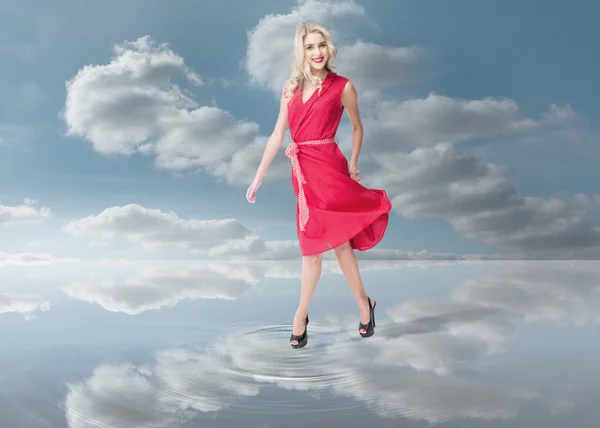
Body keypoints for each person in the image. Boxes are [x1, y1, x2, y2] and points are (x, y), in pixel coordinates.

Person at [246, 21, 392, 349]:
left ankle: (363, 306)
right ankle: (301, 315)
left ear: (330, 48)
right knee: (311, 249)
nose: (317, 52)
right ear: (302, 51)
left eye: (321, 45)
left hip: (331, 167)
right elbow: (276, 135)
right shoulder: (290, 89)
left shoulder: (344, 87)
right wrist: (258, 177)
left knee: (341, 244)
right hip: (303, 174)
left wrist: (353, 162)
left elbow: (357, 127)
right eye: (310, 47)